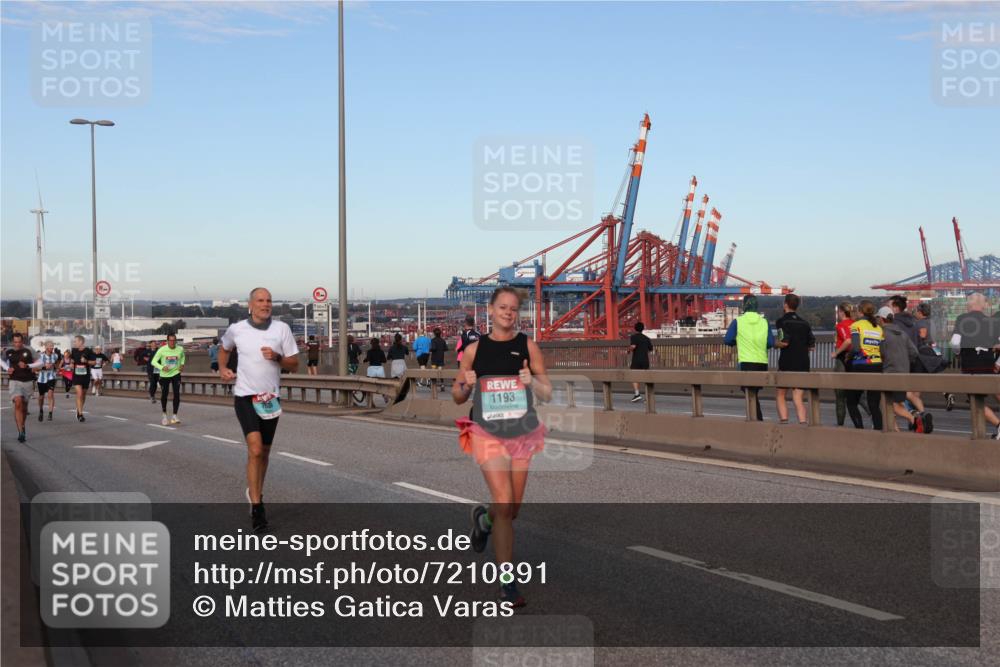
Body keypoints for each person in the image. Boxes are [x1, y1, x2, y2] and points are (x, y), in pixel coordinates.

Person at [453, 287, 552, 608]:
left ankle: (484, 522)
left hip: (522, 431)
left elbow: (547, 391)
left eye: (513, 309)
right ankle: (507, 583)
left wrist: (532, 381)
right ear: (491, 310)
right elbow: (457, 395)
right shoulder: (474, 350)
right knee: (504, 502)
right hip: (487, 431)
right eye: (503, 307)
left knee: (511, 510)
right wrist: (466, 385)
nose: (508, 313)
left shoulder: (528, 346)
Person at [218, 287, 299, 533]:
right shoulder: (237, 329)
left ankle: (255, 492)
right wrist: (222, 368)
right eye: (261, 300)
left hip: (270, 399)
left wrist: (277, 357)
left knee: (264, 452)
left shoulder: (282, 329)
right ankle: (257, 506)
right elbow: (224, 349)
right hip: (245, 396)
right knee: (254, 449)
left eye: (269, 300)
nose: (266, 304)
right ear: (250, 305)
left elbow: (295, 364)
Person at [951, 293, 1000, 439]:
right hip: (988, 363)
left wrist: (958, 353)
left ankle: (998, 425)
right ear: (983, 305)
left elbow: (954, 342)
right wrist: (998, 363)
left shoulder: (962, 319)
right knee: (996, 392)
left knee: (976, 401)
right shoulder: (992, 322)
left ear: (969, 304)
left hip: (970, 364)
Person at [878, 306, 930, 433]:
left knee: (887, 404)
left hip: (890, 372)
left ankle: (914, 419)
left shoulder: (883, 334)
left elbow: (881, 353)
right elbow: (914, 352)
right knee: (898, 403)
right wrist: (904, 363)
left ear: (881, 319)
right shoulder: (902, 333)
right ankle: (897, 430)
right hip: (904, 372)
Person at [723, 294, 774, 421]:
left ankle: (756, 421)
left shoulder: (738, 321)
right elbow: (770, 343)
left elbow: (727, 340)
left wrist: (738, 341)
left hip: (746, 363)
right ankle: (755, 419)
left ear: (744, 306)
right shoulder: (764, 322)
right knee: (753, 392)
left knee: (749, 393)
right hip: (762, 363)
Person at [774, 294, 815, 424]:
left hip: (787, 363)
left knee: (781, 394)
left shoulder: (781, 321)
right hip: (803, 364)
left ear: (785, 304)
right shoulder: (805, 323)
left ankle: (784, 421)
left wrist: (775, 344)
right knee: (798, 398)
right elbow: (811, 346)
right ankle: (802, 423)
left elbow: (784, 342)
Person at [846, 301, 884, 430]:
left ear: (860, 311)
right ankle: (879, 432)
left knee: (851, 401)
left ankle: (860, 430)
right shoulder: (878, 328)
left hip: (861, 365)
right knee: (874, 404)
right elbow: (883, 351)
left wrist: (849, 356)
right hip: (877, 365)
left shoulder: (856, 325)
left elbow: (856, 348)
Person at [5, 333, 43, 442]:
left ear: (22, 341)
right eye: (15, 342)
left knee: (24, 408)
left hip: (28, 381)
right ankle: (21, 432)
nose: (17, 344)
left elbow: (40, 362)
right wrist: (7, 368)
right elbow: (1, 361)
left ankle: (22, 426)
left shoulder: (29, 350)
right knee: (18, 402)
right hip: (14, 380)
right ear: (12, 342)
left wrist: (28, 365)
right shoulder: (8, 351)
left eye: (19, 342)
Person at [151, 333, 186, 426]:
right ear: (167, 341)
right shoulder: (162, 350)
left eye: (174, 340)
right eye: (170, 340)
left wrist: (182, 364)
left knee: (177, 394)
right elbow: (153, 361)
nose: (172, 342)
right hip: (165, 375)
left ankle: (174, 416)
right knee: (164, 395)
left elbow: (183, 357)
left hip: (176, 373)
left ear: (176, 341)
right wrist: (162, 367)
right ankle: (164, 415)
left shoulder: (180, 349)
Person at [830, 301, 855, 426]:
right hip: (855, 359)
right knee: (857, 393)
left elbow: (848, 341)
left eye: (839, 312)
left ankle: (840, 423)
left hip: (842, 359)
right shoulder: (855, 324)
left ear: (841, 312)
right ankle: (873, 416)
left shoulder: (841, 325)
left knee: (840, 394)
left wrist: (836, 352)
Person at [69, 335, 96, 422]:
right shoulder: (74, 350)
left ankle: (79, 409)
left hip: (85, 376)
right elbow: (72, 360)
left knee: (83, 395)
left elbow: (94, 362)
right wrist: (71, 364)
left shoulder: (89, 351)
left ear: (81, 342)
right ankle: (80, 414)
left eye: (75, 341)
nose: (74, 343)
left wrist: (86, 361)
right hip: (76, 375)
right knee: (79, 393)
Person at [628, 321, 654, 402]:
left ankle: (637, 394)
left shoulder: (634, 337)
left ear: (635, 329)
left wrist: (628, 350)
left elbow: (633, 346)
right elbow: (651, 349)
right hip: (645, 360)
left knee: (634, 376)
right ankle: (647, 397)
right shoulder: (647, 338)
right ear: (642, 329)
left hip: (636, 360)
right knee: (646, 378)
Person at [36, 340, 59, 422]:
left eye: (52, 346)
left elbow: (57, 365)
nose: (52, 348)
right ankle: (41, 410)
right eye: (50, 346)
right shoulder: (40, 356)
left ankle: (50, 413)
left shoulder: (55, 356)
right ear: (45, 347)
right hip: (42, 379)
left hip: (51, 377)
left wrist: (54, 366)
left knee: (50, 394)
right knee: (41, 397)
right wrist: (44, 367)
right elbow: (35, 368)